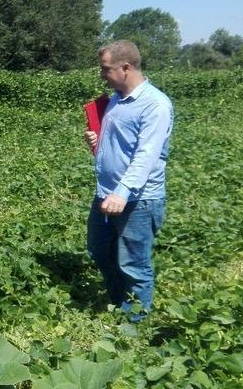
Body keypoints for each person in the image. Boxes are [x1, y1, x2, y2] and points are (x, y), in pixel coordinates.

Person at [84, 40, 173, 322]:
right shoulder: (115, 100)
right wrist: (97, 143)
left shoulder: (155, 105)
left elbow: (146, 155)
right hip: (107, 193)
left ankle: (134, 326)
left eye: (106, 69)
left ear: (126, 67)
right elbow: (119, 145)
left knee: (134, 264)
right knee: (100, 250)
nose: (102, 75)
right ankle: (120, 303)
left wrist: (122, 193)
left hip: (137, 199)